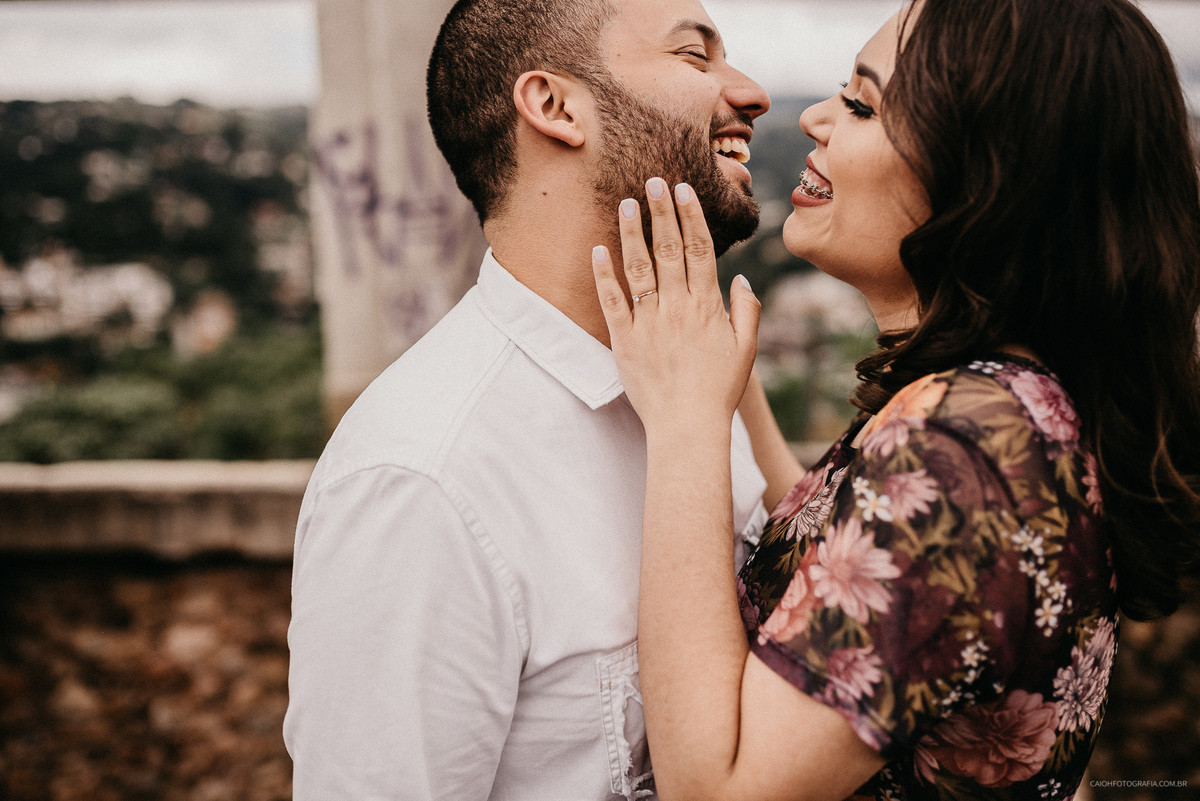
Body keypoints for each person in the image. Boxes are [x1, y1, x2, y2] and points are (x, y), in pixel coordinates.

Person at [591, 0, 1200, 799]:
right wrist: (713, 367)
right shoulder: (1013, 405)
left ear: (983, 181)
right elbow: (841, 548)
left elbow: (716, 786)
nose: (813, 117)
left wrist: (683, 422)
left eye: (859, 104)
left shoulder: (960, 450)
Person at [284, 0, 774, 798]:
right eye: (696, 57)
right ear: (554, 106)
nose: (749, 91)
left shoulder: (697, 382)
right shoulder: (421, 480)